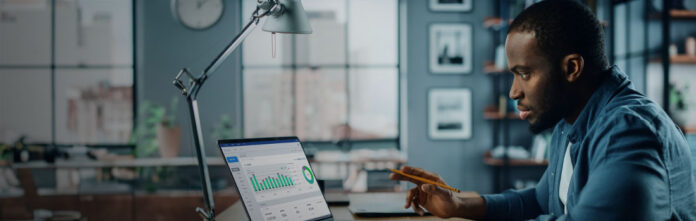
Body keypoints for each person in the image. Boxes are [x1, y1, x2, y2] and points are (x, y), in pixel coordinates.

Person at [390, 1, 696, 220]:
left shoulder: (628, 130)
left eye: (524, 73)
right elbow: (541, 200)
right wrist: (458, 204)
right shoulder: (570, 120)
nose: (513, 92)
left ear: (572, 68)